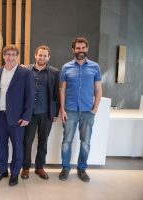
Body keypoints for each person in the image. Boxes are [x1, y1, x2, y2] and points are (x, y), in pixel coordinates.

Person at [59, 37, 102, 182]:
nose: (81, 50)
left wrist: (95, 108)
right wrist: (62, 110)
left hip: (87, 112)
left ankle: (82, 169)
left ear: (87, 49)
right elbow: (63, 90)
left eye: (83, 48)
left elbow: (98, 89)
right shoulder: (66, 67)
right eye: (78, 48)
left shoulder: (95, 67)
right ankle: (65, 168)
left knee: (85, 142)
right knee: (67, 142)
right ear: (73, 50)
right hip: (70, 110)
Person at [0, 45, 35, 186]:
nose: (10, 57)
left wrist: (27, 116)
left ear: (17, 57)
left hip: (17, 118)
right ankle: (2, 171)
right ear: (3, 56)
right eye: (8, 54)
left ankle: (15, 173)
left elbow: (30, 96)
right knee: (1, 146)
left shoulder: (25, 73)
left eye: (13, 55)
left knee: (17, 147)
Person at [21, 45, 60, 180]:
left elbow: (56, 94)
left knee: (43, 141)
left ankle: (39, 167)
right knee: (27, 142)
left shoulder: (54, 72)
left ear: (48, 57)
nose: (42, 57)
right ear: (35, 55)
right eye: (40, 55)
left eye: (45, 55)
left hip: (46, 114)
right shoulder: (26, 70)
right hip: (29, 114)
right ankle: (25, 168)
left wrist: (55, 113)